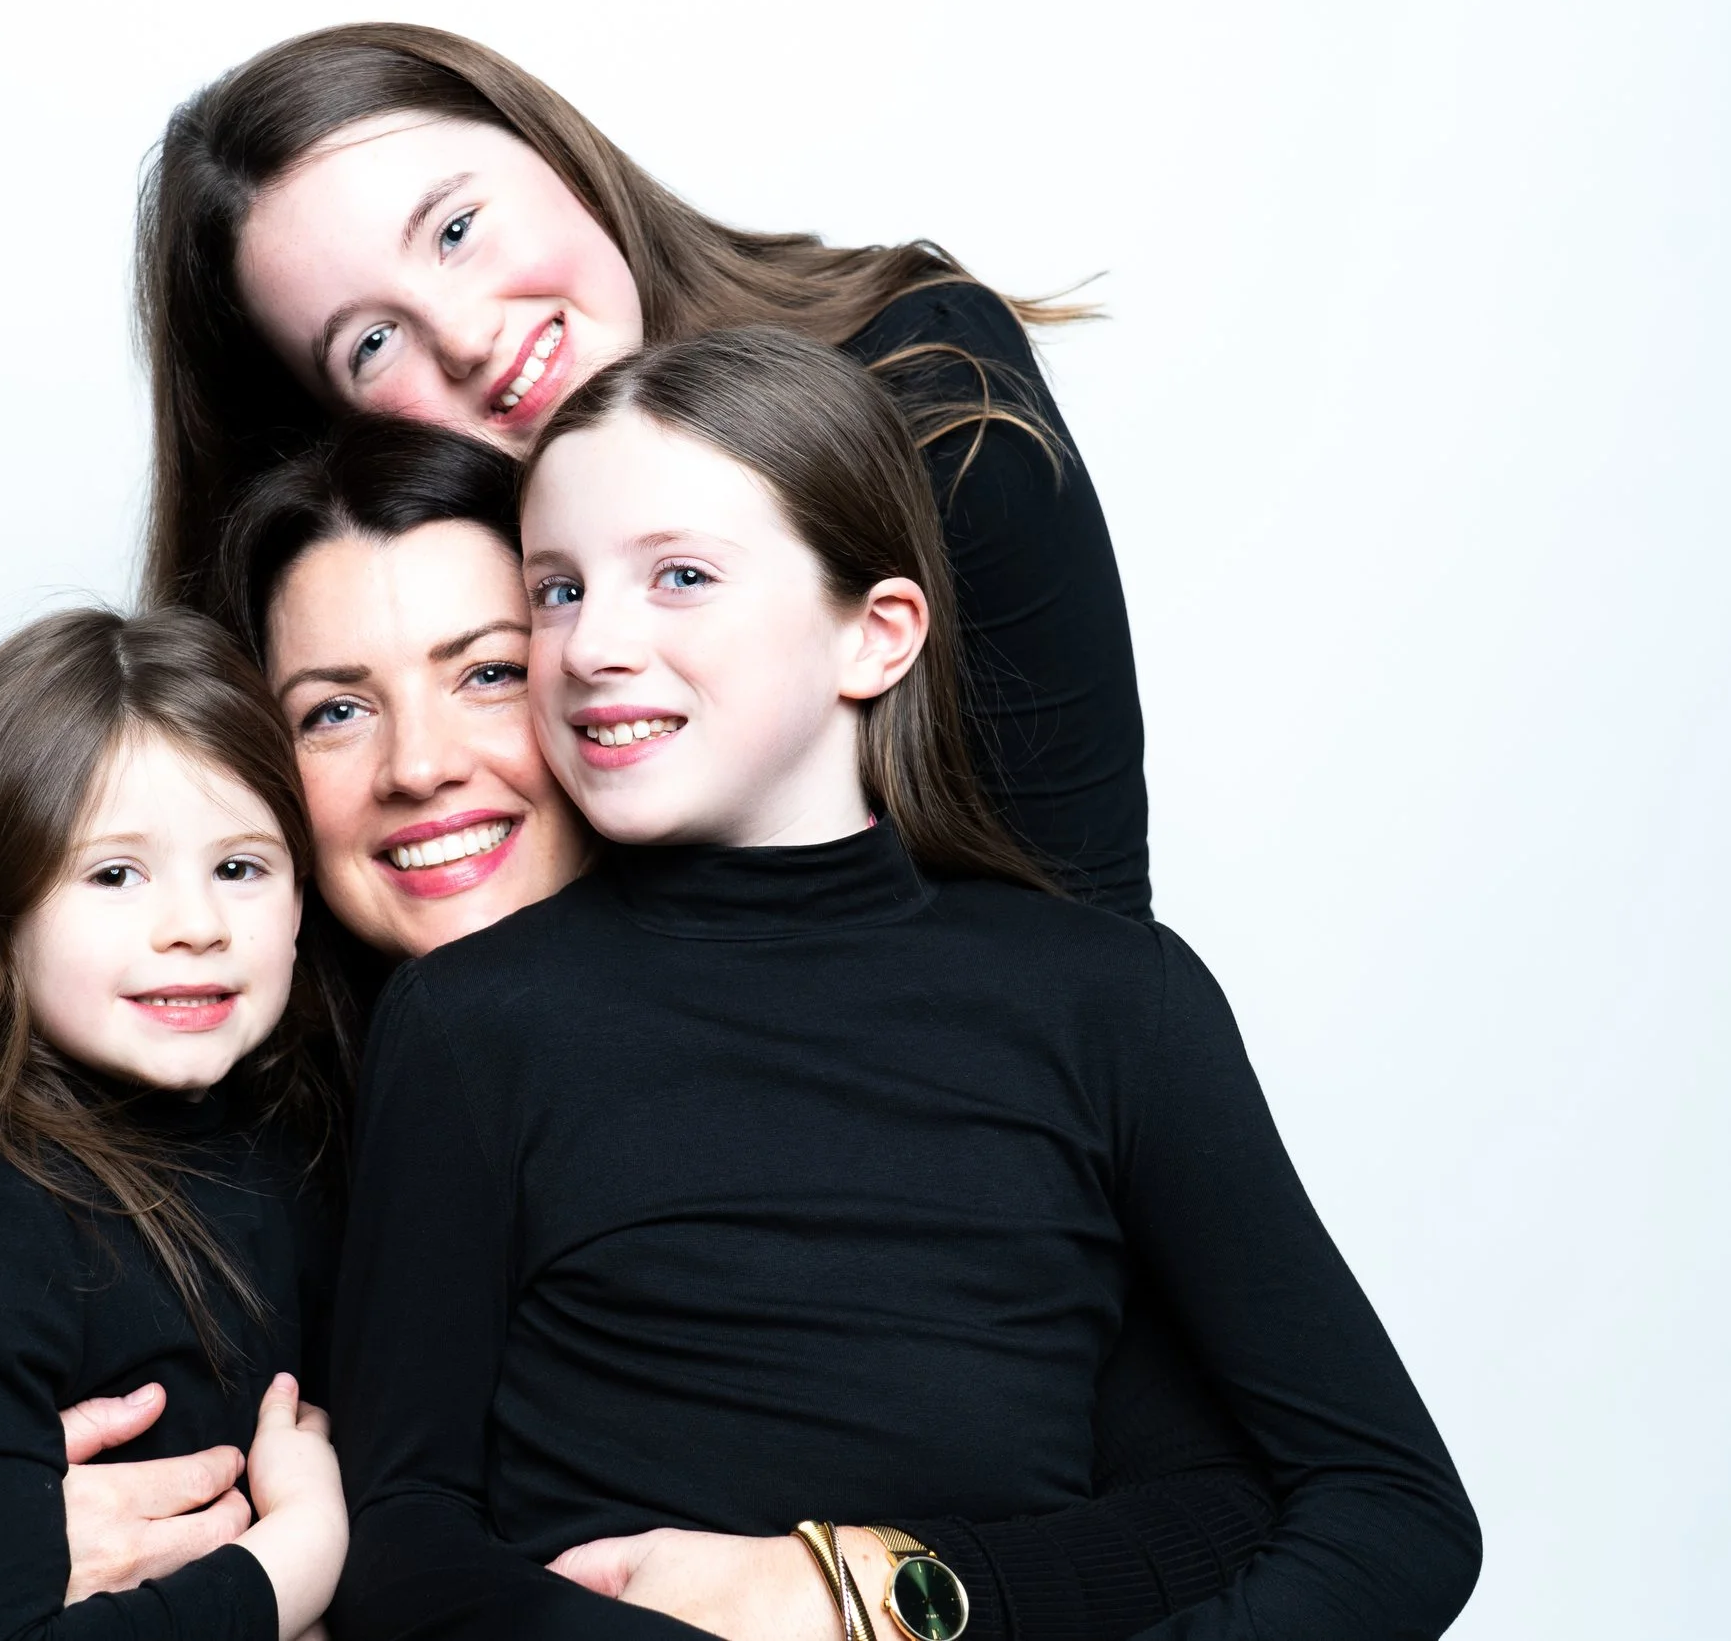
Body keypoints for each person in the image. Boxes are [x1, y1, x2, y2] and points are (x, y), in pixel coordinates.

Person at [326, 331, 1481, 1641]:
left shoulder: (1111, 1002)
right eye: (556, 590)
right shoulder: (473, 1023)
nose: (592, 643)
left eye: (681, 576)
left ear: (874, 636)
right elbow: (400, 1535)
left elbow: (1390, 1508)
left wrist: (855, 1593)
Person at [138, 21, 1150, 919]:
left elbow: (1090, 921)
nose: (466, 337)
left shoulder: (926, 393)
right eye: (371, 343)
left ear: (559, 158)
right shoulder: (396, 572)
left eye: (456, 230)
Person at [0, 608, 349, 1641]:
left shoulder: (312, 1146)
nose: (194, 923)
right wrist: (299, 1554)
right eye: (114, 873)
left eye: (240, 867)